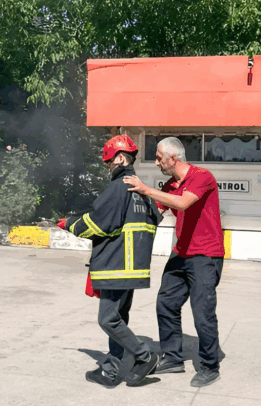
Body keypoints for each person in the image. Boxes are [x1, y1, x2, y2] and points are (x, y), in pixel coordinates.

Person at [58, 135, 162, 388]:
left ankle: (145, 356)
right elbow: (154, 219)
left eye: (109, 162)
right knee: (119, 319)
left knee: (108, 320)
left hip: (117, 265)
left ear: (120, 158)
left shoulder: (119, 187)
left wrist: (70, 223)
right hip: (133, 266)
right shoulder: (141, 191)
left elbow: (99, 223)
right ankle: (110, 372)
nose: (108, 168)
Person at [123, 136, 225, 388]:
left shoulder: (202, 177)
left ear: (173, 158)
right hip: (181, 253)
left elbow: (183, 202)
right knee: (166, 303)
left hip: (206, 255)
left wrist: (145, 188)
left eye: (159, 158)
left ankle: (210, 366)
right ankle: (173, 358)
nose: (157, 162)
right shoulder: (170, 185)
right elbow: (155, 213)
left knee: (202, 313)